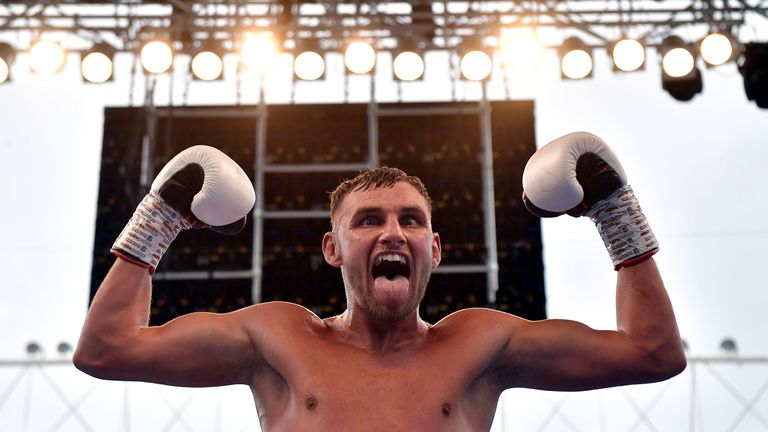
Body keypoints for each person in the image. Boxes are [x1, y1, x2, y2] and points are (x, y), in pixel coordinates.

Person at [74, 132, 686, 431]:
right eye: (369, 221)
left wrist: (616, 213)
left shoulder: (480, 345)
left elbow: (653, 354)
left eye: (411, 221)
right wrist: (158, 219)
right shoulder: (278, 338)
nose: (393, 233)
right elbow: (105, 350)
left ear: (434, 249)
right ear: (333, 250)